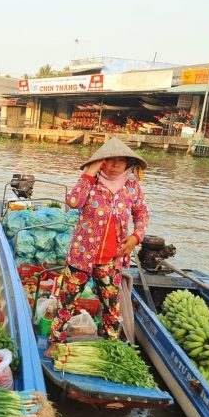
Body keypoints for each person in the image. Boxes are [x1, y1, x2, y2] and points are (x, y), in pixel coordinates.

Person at [48, 137, 149, 342]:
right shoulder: (89, 184)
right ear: (101, 162)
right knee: (65, 305)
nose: (114, 165)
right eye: (109, 160)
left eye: (120, 161)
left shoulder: (132, 188)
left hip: (111, 260)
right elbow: (73, 202)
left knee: (112, 309)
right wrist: (89, 171)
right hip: (80, 258)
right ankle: (55, 341)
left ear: (128, 164)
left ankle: (110, 344)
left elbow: (142, 214)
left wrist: (136, 237)